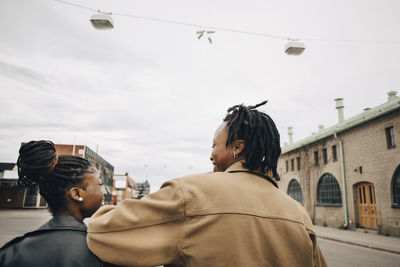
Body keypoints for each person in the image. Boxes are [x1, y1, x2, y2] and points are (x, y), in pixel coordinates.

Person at [87, 101, 327, 267]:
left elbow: (104, 232)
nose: (211, 155)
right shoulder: (298, 214)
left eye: (214, 145)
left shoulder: (190, 194)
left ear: (238, 147)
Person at [0, 140, 115, 267]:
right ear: (76, 194)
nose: (104, 192)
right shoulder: (104, 252)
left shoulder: (10, 252)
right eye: (99, 185)